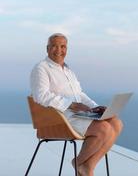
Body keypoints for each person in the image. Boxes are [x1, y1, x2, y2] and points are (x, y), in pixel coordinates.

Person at [30, 33, 123, 176]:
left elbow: (80, 94)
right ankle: (79, 163)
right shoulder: (41, 68)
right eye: (54, 46)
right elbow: (41, 96)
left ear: (66, 49)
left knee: (116, 123)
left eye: (63, 46)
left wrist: (96, 108)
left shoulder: (68, 71)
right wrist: (70, 104)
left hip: (77, 115)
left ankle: (87, 166)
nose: (59, 50)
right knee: (104, 128)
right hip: (60, 118)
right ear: (47, 48)